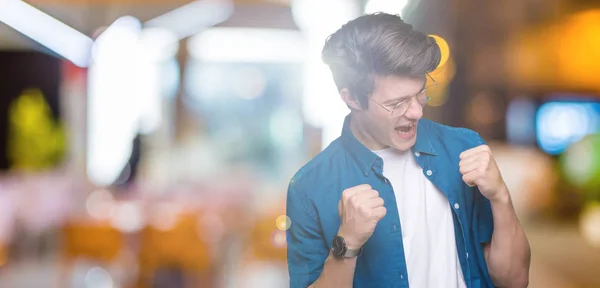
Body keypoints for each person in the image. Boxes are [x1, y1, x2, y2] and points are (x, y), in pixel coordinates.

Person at [286, 13, 530, 288]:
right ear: (351, 98)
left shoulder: (464, 149)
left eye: (420, 93)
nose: (416, 111)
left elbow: (515, 281)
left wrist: (501, 197)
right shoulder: (309, 186)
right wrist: (348, 242)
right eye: (397, 103)